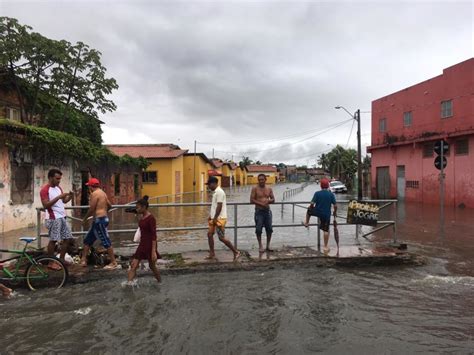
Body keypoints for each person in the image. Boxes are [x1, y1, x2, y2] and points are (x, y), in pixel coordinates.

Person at [80, 178, 119, 270]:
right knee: (87, 239)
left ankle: (113, 262)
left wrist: (85, 218)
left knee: (105, 241)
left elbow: (92, 208)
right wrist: (104, 212)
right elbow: (110, 206)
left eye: (88, 186)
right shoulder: (103, 193)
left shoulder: (94, 194)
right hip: (100, 219)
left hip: (99, 221)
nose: (88, 188)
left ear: (90, 186)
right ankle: (83, 259)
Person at [40, 168, 74, 267]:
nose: (59, 181)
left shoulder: (59, 188)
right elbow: (46, 205)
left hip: (62, 216)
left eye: (59, 179)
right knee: (53, 240)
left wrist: (70, 196)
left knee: (67, 238)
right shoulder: (45, 190)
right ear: (50, 178)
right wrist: (58, 197)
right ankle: (51, 262)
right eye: (57, 178)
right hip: (53, 218)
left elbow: (64, 201)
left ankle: (61, 259)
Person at [205, 176, 240, 261]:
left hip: (219, 218)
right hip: (214, 218)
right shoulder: (216, 192)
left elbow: (219, 206)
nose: (208, 187)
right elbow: (215, 206)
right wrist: (211, 216)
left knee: (221, 237)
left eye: (209, 185)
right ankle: (212, 253)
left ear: (213, 183)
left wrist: (215, 218)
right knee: (209, 234)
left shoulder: (220, 192)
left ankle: (236, 252)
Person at [127, 197, 161, 283]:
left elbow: (154, 235)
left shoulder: (151, 218)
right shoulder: (142, 217)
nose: (136, 209)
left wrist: (153, 251)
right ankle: (129, 284)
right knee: (134, 265)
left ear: (144, 207)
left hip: (149, 244)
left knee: (152, 266)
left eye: (138, 207)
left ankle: (159, 281)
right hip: (142, 244)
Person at [304, 178, 338, 254]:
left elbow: (312, 204)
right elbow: (335, 205)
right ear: (328, 186)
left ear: (321, 186)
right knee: (326, 230)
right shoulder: (331, 194)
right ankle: (325, 246)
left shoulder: (317, 193)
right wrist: (335, 212)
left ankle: (306, 223)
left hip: (317, 212)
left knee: (309, 211)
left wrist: (311, 207)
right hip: (326, 214)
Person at [250, 174, 275, 252]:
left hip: (267, 211)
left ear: (265, 180)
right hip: (259, 212)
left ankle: (268, 246)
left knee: (269, 229)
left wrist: (268, 201)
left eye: (262, 179)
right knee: (258, 229)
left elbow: (273, 199)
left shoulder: (269, 189)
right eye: (259, 179)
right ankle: (260, 245)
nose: (261, 181)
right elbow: (251, 200)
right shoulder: (255, 189)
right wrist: (261, 204)